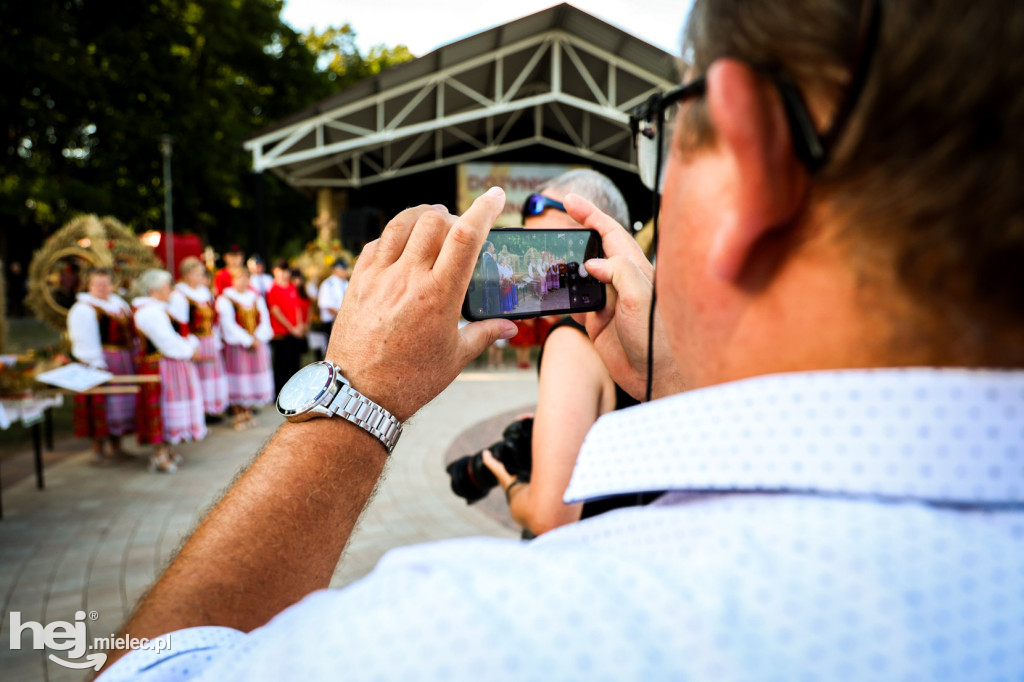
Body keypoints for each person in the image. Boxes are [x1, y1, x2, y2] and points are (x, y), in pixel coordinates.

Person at [101, 1, 1024, 678]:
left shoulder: (481, 637)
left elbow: (153, 669)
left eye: (670, 136)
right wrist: (676, 383)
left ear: (752, 162)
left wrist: (357, 395)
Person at [481, 169, 649, 536]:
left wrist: (509, 482)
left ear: (603, 239)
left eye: (555, 245)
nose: (541, 266)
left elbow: (549, 517)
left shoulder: (571, 341)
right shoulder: (663, 327)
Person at [132, 269, 207, 473]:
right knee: (162, 409)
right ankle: (159, 454)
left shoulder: (159, 309)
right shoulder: (148, 312)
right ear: (155, 290)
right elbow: (166, 342)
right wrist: (189, 351)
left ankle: (167, 449)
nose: (170, 291)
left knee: (170, 408)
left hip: (170, 365)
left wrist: (190, 346)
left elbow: (178, 333)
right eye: (167, 287)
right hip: (159, 367)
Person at [66, 267, 136, 465]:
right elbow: (83, 339)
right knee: (100, 404)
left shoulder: (118, 304)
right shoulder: (84, 308)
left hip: (121, 360)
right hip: (99, 362)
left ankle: (117, 446)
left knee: (119, 405)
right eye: (97, 284)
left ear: (112, 285)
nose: (102, 288)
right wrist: (95, 364)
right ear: (89, 285)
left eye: (105, 284)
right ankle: (98, 450)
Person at [169, 257, 229, 418]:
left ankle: (212, 409)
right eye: (196, 273)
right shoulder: (180, 295)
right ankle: (201, 411)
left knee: (212, 375)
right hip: (194, 341)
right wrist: (190, 344)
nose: (200, 277)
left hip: (209, 339)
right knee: (199, 376)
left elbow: (214, 318)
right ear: (186, 275)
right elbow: (180, 325)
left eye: (200, 273)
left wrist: (215, 337)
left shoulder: (204, 293)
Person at [216, 268, 274, 430]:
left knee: (251, 379)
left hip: (255, 343)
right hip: (237, 346)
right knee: (238, 378)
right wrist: (247, 340)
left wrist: (258, 337)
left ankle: (247, 411)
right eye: (238, 278)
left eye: (245, 278)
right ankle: (237, 413)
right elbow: (228, 324)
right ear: (232, 280)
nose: (242, 281)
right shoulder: (226, 299)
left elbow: (264, 318)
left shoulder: (255, 298)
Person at [265, 259, 306, 395]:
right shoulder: (272, 288)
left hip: (294, 332)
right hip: (281, 333)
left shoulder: (291, 287)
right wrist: (291, 328)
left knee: (294, 364)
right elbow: (276, 311)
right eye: (281, 270)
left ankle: (294, 392)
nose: (284, 274)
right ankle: (280, 393)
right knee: (281, 365)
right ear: (275, 271)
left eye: (286, 271)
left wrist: (300, 325)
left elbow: (297, 308)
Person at [315, 257, 348, 349]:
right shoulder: (327, 284)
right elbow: (327, 305)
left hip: (344, 320)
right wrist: (341, 316)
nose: (344, 271)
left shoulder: (346, 282)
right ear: (334, 269)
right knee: (331, 348)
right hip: (331, 321)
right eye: (342, 269)